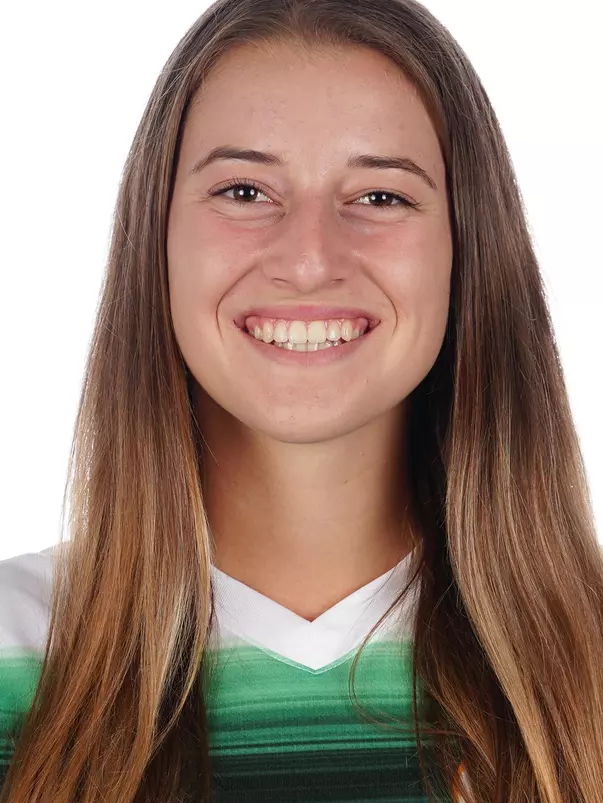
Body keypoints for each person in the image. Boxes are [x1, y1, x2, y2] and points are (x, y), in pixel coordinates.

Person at [1, 0, 602, 800]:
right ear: (158, 238)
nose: (310, 258)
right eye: (245, 191)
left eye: (380, 197)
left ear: (466, 250)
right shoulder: (15, 653)